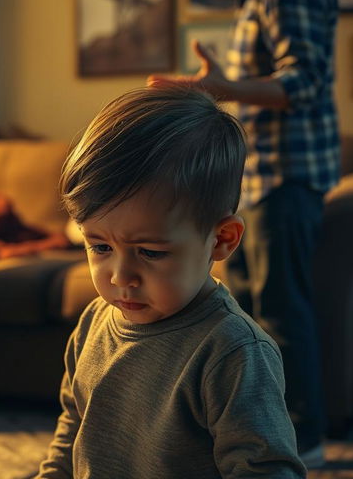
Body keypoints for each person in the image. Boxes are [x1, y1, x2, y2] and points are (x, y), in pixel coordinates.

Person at [147, 0, 340, 467]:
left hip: (288, 176)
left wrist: (221, 88)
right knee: (255, 311)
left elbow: (304, 79)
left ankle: (304, 438)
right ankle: (262, 430)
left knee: (281, 311)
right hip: (263, 180)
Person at [37, 86, 305, 479]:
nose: (120, 276)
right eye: (99, 246)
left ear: (222, 239)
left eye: (149, 252)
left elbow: (266, 471)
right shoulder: (93, 323)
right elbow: (73, 429)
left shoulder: (232, 351)